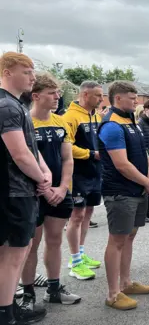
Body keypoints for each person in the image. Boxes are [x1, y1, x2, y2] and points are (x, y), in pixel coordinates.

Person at [22, 72, 81, 310]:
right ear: (36, 96)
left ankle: (54, 289)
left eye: (58, 92)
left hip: (59, 191)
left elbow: (68, 158)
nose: (57, 97)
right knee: (30, 245)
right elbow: (23, 159)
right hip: (34, 193)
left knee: (55, 241)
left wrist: (63, 187)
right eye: (51, 93)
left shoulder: (60, 122)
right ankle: (27, 294)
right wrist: (46, 189)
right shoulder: (25, 121)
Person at [0, 52, 49, 324]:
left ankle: (8, 305)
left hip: (20, 189)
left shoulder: (15, 105)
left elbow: (30, 147)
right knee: (13, 255)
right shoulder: (6, 106)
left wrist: (44, 170)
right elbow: (19, 153)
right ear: (7, 72)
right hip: (13, 191)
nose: (32, 77)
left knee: (15, 254)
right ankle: (6, 313)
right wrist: (41, 179)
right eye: (26, 71)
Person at [98, 81, 149, 310]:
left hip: (137, 189)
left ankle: (126, 282)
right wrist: (147, 182)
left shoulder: (131, 121)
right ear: (118, 98)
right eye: (132, 97)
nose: (137, 101)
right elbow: (121, 164)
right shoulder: (111, 125)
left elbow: (143, 154)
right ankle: (113, 293)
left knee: (129, 236)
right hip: (120, 192)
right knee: (117, 239)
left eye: (136, 97)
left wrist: (147, 179)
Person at [63, 80, 104, 280]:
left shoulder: (96, 115)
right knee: (76, 216)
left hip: (94, 172)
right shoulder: (70, 116)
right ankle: (74, 261)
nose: (101, 99)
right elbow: (66, 146)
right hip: (77, 174)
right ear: (85, 95)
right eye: (98, 95)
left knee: (88, 213)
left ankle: (80, 252)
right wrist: (90, 154)